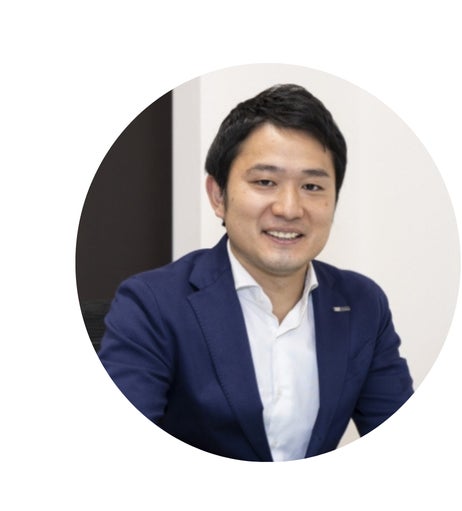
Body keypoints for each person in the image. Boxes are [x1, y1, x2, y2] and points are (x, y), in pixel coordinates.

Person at [99, 84, 413, 462]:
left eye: (312, 186)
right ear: (218, 195)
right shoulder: (152, 304)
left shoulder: (361, 303)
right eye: (265, 182)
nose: (289, 208)